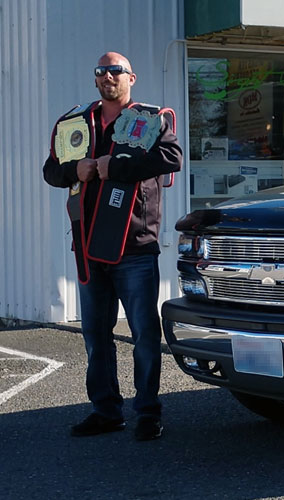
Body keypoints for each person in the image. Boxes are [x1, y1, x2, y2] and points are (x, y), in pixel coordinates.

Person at [42, 52, 182, 441]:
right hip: (88, 245)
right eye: (101, 72)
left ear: (131, 77)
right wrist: (76, 170)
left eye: (115, 71)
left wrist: (113, 167)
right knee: (95, 334)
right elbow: (51, 170)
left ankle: (148, 412)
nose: (108, 77)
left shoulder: (151, 120)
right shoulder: (77, 123)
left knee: (142, 332)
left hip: (134, 245)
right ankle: (106, 410)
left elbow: (172, 158)